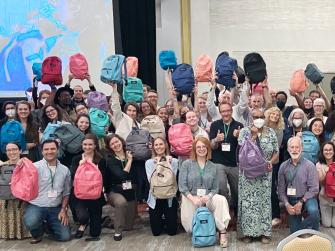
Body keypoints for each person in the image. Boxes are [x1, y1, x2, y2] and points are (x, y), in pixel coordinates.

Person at [179, 137, 231, 248]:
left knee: (221, 199)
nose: (201, 149)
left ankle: (222, 232)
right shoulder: (186, 164)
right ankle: (198, 232)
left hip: (207, 197)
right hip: (191, 197)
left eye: (204, 147)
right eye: (198, 147)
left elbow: (215, 188)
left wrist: (208, 197)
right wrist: (193, 199)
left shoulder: (213, 166)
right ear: (194, 149)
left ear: (208, 149)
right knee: (189, 227)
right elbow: (182, 187)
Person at [237, 109, 279, 244]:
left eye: (261, 116)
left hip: (265, 172)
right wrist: (253, 137)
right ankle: (247, 233)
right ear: (251, 117)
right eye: (256, 116)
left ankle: (264, 233)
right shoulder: (244, 131)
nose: (259, 119)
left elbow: (276, 152)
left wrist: (270, 162)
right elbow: (242, 150)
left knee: (264, 202)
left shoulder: (271, 132)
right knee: (248, 203)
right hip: (248, 173)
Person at [23, 140, 71, 244]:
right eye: (46, 149)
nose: (49, 151)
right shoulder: (34, 167)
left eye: (53, 148)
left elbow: (66, 193)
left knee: (65, 237)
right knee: (31, 222)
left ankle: (49, 226)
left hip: (56, 207)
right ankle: (38, 232)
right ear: (42, 151)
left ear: (57, 150)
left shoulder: (65, 170)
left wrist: (64, 210)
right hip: (37, 205)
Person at [278, 136, 320, 233]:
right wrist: (287, 204)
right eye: (292, 147)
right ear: (288, 149)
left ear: (302, 149)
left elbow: (314, 189)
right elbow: (281, 190)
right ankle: (300, 230)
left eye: (297, 147)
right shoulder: (283, 166)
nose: (294, 150)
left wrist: (301, 202)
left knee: (314, 212)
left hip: (307, 198)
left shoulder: (309, 165)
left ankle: (312, 232)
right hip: (291, 200)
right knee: (294, 234)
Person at [70, 134, 107, 241]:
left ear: (95, 146)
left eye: (90, 144)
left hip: (95, 193)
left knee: (95, 233)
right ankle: (83, 223)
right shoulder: (77, 159)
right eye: (85, 144)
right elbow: (73, 176)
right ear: (82, 145)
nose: (87, 147)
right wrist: (81, 167)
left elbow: (104, 177)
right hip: (79, 193)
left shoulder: (101, 160)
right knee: (82, 216)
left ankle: (94, 222)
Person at [209, 103, 243, 215]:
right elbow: (212, 146)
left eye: (228, 110)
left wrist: (240, 137)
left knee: (237, 191)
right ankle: (225, 215)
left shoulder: (239, 125)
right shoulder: (215, 125)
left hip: (235, 163)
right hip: (219, 162)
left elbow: (245, 147)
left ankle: (239, 217)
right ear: (220, 112)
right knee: (222, 188)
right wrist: (216, 140)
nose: (226, 113)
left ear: (231, 111)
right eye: (223, 111)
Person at [104, 134, 136, 241]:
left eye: (117, 141)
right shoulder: (110, 160)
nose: (115, 145)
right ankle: (117, 232)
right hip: (115, 191)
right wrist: (130, 160)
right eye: (112, 144)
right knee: (121, 203)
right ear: (109, 147)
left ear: (121, 141)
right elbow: (122, 176)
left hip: (130, 190)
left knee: (129, 226)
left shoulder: (130, 153)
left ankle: (109, 221)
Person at [145, 137, 178, 236]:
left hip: (169, 197)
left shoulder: (174, 161)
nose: (159, 147)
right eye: (156, 145)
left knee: (172, 232)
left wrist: (167, 163)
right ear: (153, 147)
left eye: (161, 144)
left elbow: (171, 179)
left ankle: (168, 219)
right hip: (155, 198)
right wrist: (158, 164)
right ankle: (161, 220)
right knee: (156, 232)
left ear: (165, 145)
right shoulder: (149, 163)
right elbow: (151, 181)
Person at [0, 143, 30, 239]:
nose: (11, 152)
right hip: (5, 198)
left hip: (21, 199)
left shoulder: (27, 164)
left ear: (20, 151)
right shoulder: (2, 165)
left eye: (14, 149)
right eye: (8, 150)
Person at [264, 106, 285, 226]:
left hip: (272, 162)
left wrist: (270, 162)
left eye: (277, 115)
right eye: (273, 114)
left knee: (271, 188)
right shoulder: (262, 127)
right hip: (259, 163)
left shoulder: (279, 130)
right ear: (269, 114)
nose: (275, 116)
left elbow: (276, 149)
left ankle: (276, 215)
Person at [316, 141, 335, 227]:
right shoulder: (319, 164)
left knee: (334, 224)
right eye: (326, 150)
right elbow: (320, 181)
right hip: (325, 197)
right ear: (322, 152)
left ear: (334, 151)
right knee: (327, 224)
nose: (328, 152)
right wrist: (326, 173)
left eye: (330, 150)